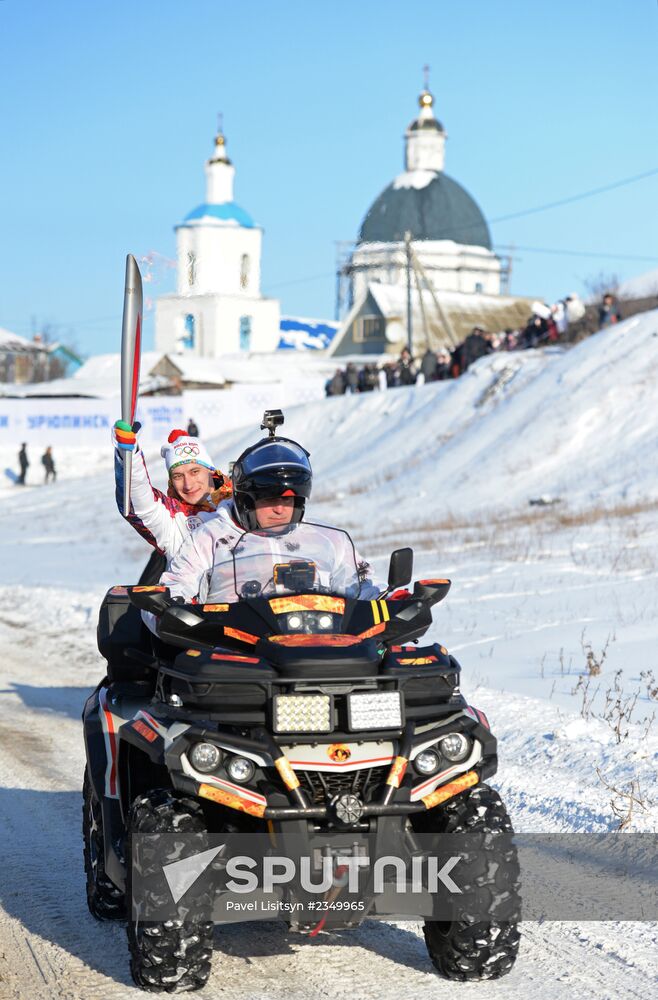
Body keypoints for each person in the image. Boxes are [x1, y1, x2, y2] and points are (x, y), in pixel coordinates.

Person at [157, 425, 381, 607]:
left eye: (287, 500)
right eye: (269, 500)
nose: (280, 510)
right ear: (246, 501)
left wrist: (390, 599)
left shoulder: (329, 539)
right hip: (235, 647)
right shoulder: (209, 539)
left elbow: (365, 584)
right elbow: (176, 584)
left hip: (318, 643)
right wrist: (171, 605)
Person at [113, 423, 232, 581]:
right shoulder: (173, 519)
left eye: (194, 472)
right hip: (192, 605)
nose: (188, 484)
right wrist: (129, 456)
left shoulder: (240, 503)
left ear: (210, 470)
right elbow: (139, 503)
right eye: (178, 476)